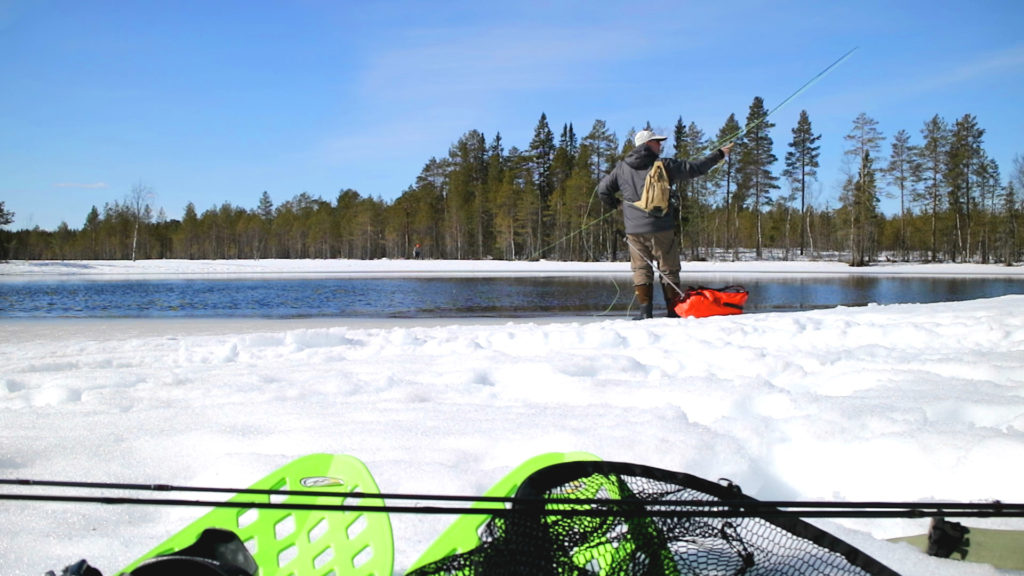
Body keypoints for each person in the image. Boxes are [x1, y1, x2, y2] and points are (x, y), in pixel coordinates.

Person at [597, 128, 732, 319]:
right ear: (646, 144)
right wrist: (719, 154)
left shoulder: (621, 168)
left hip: (634, 229)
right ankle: (673, 311)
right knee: (669, 268)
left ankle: (645, 313)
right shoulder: (664, 165)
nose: (660, 145)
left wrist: (619, 206)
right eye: (656, 142)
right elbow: (697, 168)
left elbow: (603, 191)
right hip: (661, 228)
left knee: (641, 269)